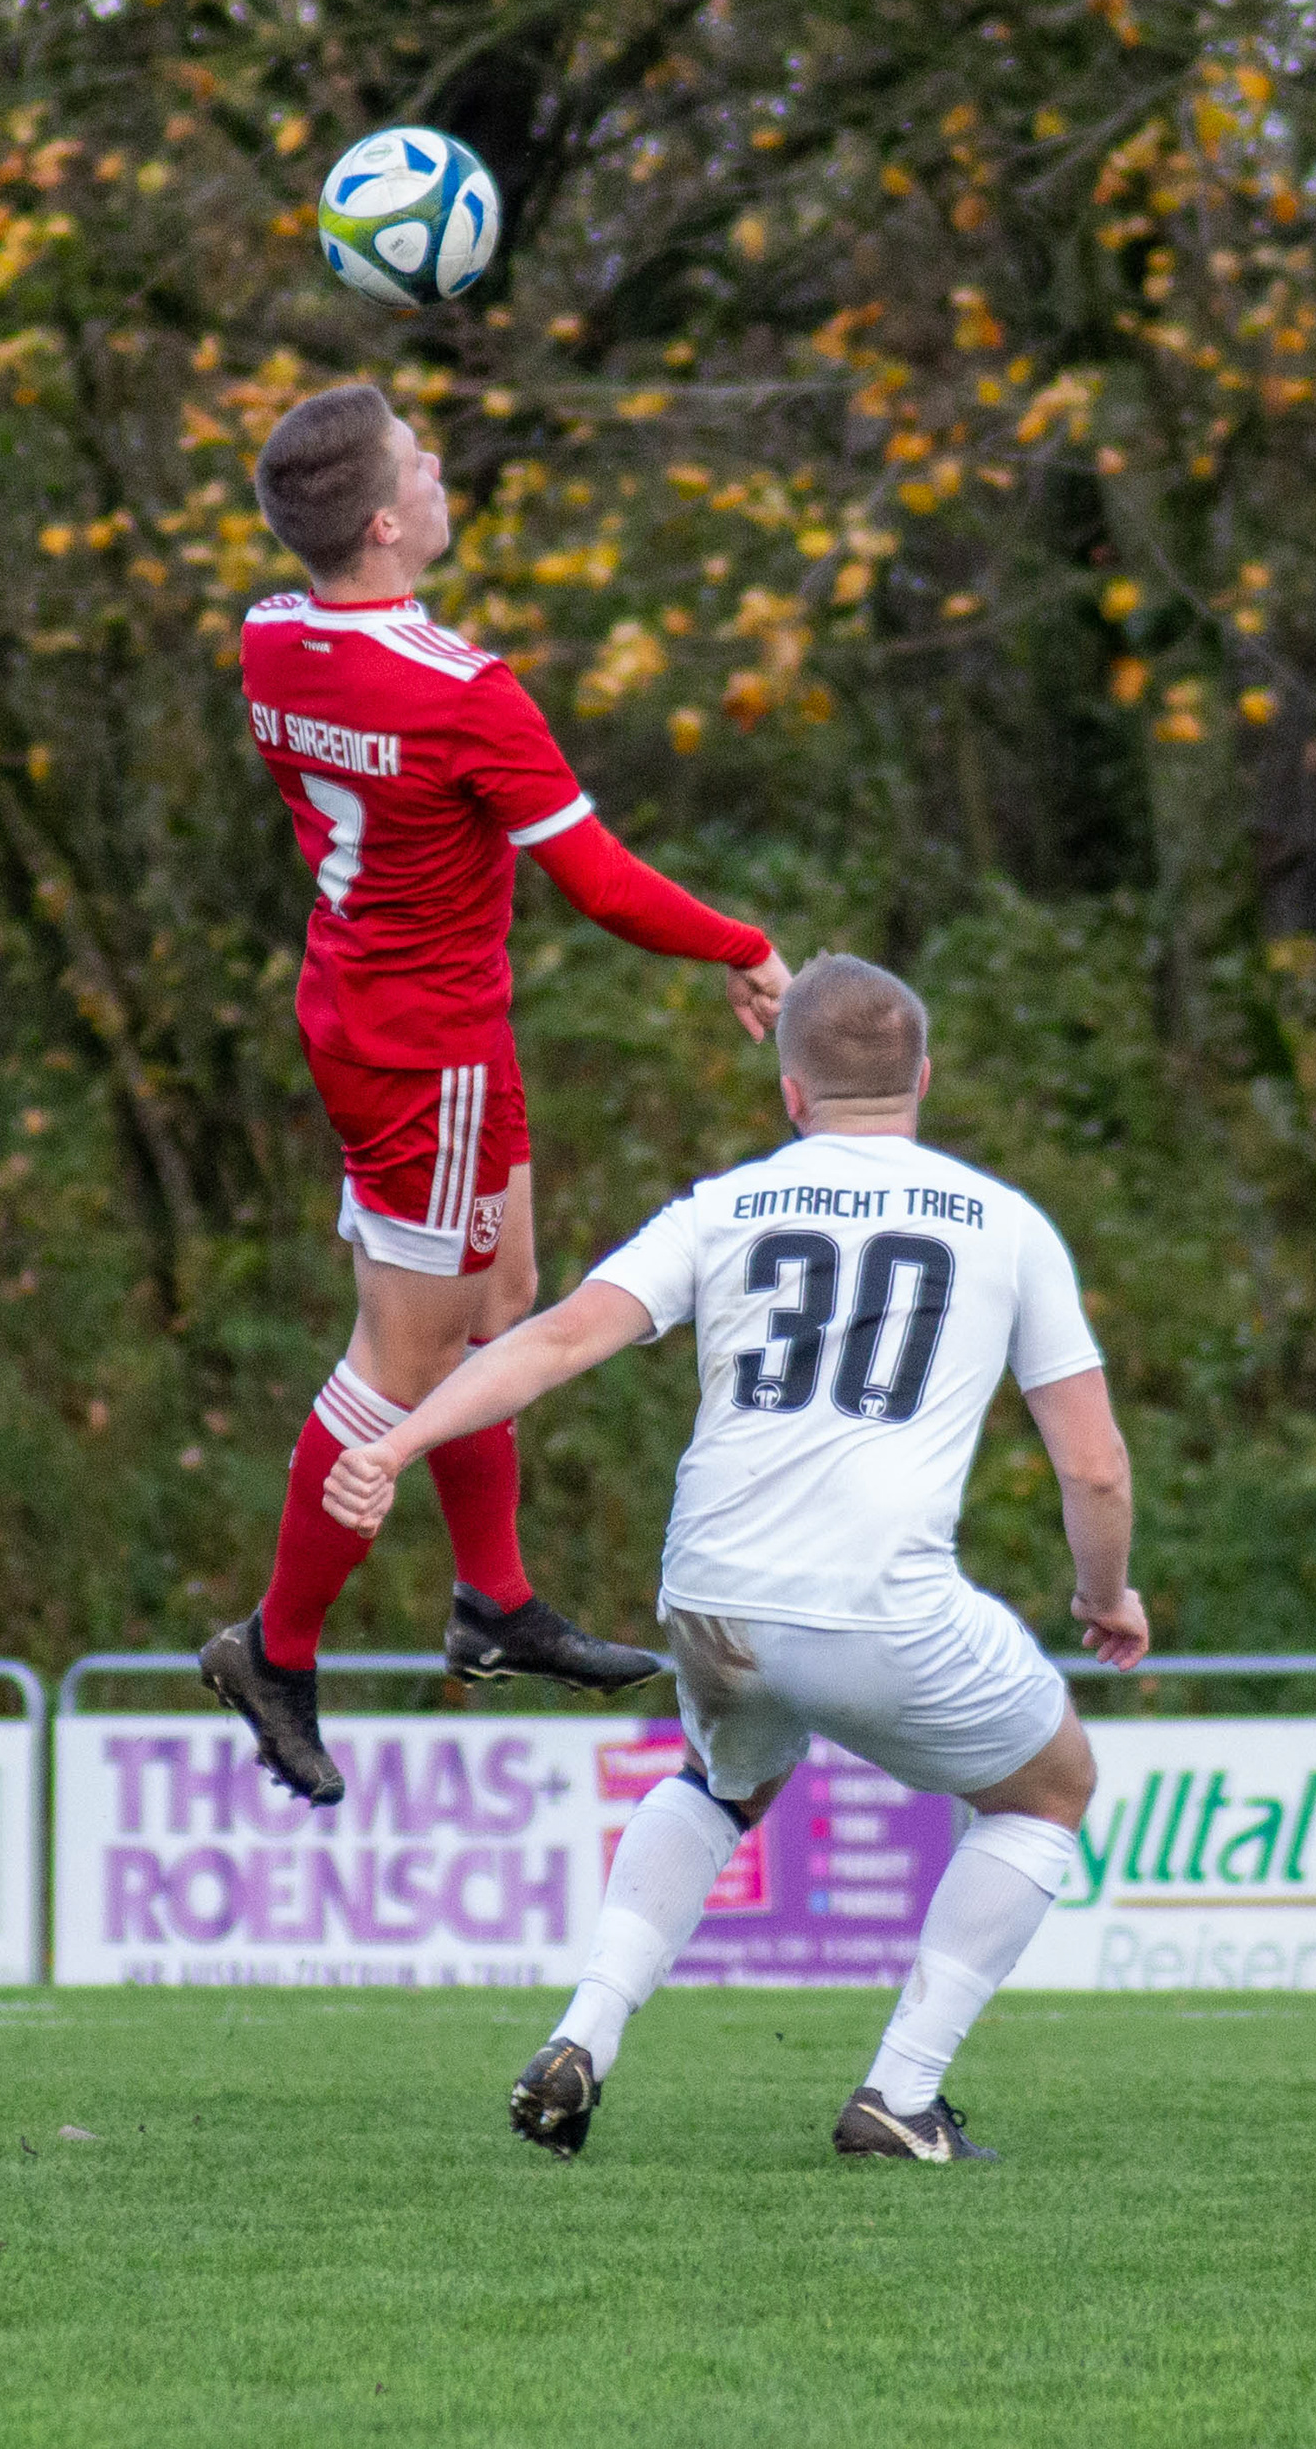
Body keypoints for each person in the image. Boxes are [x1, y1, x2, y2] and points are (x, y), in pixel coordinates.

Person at [325, 953, 1146, 2163]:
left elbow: (552, 1342)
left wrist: (394, 1442)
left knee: (721, 1784)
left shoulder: (725, 1207)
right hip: (876, 1602)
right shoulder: (1007, 1226)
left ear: (792, 1092)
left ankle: (584, 2035)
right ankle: (902, 2094)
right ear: (923, 1077)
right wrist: (1102, 1592)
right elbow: (1095, 1467)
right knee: (1049, 1789)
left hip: (712, 1595)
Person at [210, 383, 795, 1807]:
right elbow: (601, 883)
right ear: (386, 523)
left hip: (373, 1010)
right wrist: (741, 945)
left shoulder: (272, 636)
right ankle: (276, 1649)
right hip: (427, 1055)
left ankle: (496, 1601)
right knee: (401, 1367)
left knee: (506, 1300)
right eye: (419, 460)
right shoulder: (459, 689)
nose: (440, 470)